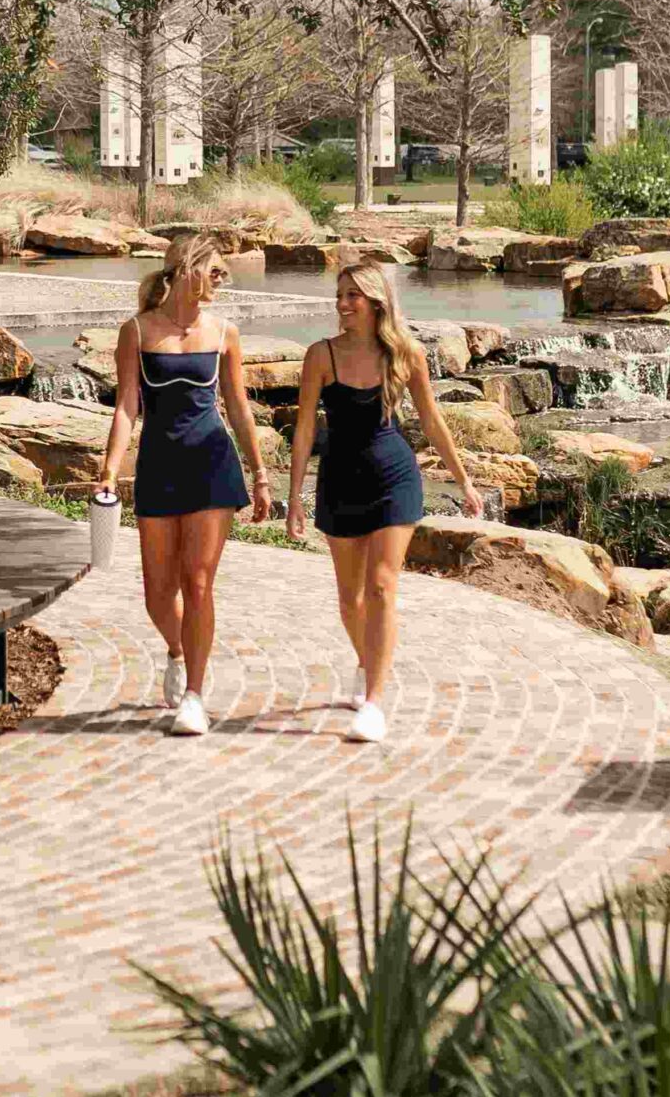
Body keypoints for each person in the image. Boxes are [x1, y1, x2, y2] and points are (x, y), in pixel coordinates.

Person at [285, 256, 484, 743]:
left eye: (352, 296)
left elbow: (432, 422)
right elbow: (306, 428)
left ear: (375, 302)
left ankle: (373, 702)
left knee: (380, 587)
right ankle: (367, 662)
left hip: (395, 477)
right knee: (350, 601)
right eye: (339, 295)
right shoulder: (320, 355)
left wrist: (464, 481)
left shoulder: (405, 353)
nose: (342, 304)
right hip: (339, 480)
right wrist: (294, 497)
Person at [94, 233, 272, 735]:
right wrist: (111, 468)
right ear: (186, 268)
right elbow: (128, 405)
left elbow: (237, 407)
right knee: (157, 593)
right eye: (214, 271)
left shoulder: (224, 333)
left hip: (213, 465)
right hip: (158, 465)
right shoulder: (137, 330)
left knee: (197, 582)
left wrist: (260, 474)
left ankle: (194, 695)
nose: (221, 281)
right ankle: (178, 649)